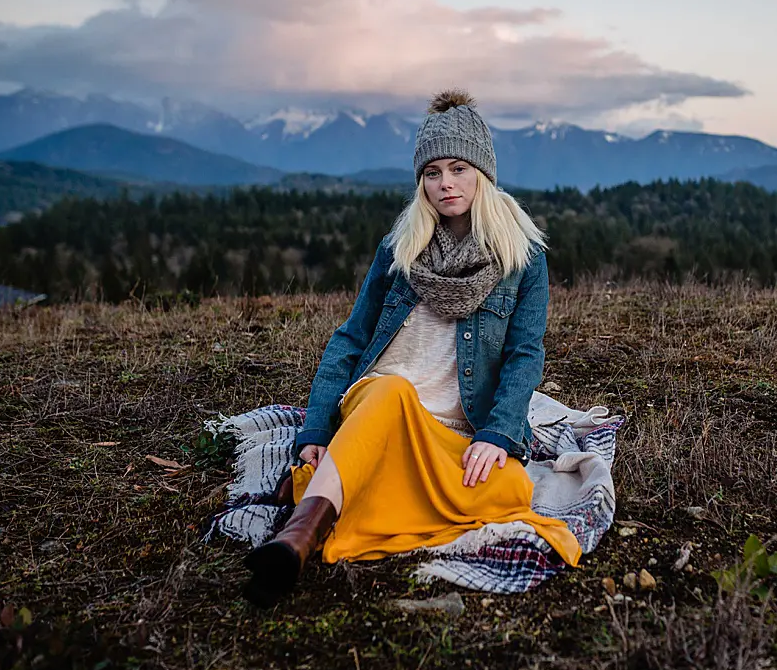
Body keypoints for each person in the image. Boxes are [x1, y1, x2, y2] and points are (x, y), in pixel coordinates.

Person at [242, 89, 581, 608]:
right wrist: (316, 425)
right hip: (380, 402)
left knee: (512, 489)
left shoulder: (523, 258)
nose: (446, 184)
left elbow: (524, 354)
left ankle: (334, 485)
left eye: (458, 169)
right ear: (420, 181)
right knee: (391, 390)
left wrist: (496, 432)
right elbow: (350, 339)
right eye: (432, 173)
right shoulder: (399, 250)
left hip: (448, 430)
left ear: (483, 174)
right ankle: (297, 537)